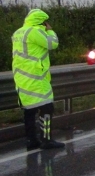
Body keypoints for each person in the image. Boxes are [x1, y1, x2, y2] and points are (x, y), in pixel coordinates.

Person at [12, 9, 65, 150]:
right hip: (36, 77)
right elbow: (52, 44)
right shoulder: (35, 31)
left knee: (29, 110)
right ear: (41, 21)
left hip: (21, 77)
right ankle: (46, 140)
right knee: (47, 107)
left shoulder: (18, 32)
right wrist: (50, 31)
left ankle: (31, 140)